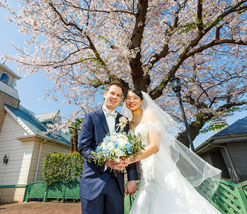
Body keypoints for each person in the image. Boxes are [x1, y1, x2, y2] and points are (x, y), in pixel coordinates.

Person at [121, 88, 222, 214]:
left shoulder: (149, 113)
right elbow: (133, 150)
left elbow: (154, 146)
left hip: (160, 166)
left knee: (172, 199)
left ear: (141, 101)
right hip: (145, 170)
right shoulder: (128, 124)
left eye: (135, 98)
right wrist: (131, 177)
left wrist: (129, 159)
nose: (131, 101)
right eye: (128, 98)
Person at [78, 81, 139, 214]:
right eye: (112, 93)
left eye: (118, 95)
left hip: (116, 183)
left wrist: (132, 178)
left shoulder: (125, 121)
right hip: (93, 180)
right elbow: (84, 148)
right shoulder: (91, 117)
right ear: (105, 94)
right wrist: (105, 161)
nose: (114, 97)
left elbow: (130, 150)